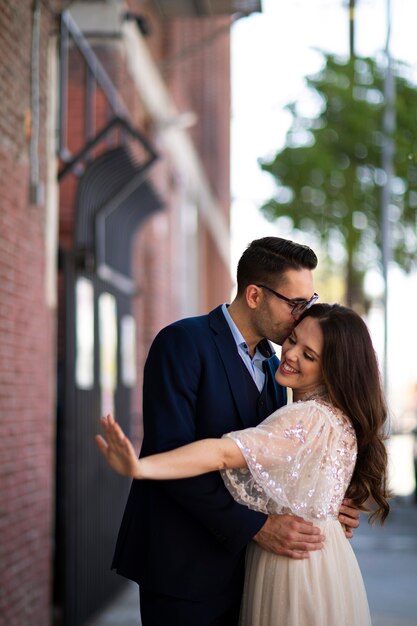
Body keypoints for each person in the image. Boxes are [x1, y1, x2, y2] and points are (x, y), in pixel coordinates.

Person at [105, 237, 359, 626]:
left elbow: (275, 463)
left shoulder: (279, 373)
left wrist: (321, 500)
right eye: (295, 304)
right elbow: (172, 450)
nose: (301, 316)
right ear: (255, 294)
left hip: (249, 574)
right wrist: (257, 527)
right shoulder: (183, 343)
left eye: (308, 303)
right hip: (182, 568)